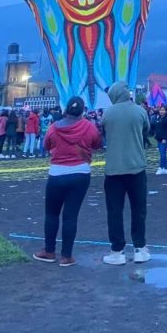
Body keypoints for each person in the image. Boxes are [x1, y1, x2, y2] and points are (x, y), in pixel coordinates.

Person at [33, 96, 102, 266]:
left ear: (66, 110)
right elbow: (97, 143)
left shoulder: (54, 127)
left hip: (57, 173)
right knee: (71, 216)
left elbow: (46, 146)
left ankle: (49, 251)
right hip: (80, 173)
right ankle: (66, 255)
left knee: (51, 213)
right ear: (82, 110)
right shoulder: (89, 126)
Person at [102, 83, 151, 266]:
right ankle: (140, 248)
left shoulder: (107, 113)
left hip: (113, 169)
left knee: (114, 211)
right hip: (136, 167)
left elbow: (104, 132)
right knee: (139, 210)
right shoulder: (140, 111)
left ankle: (117, 251)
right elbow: (146, 130)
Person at [152, 104, 167, 176]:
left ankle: (161, 168)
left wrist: (164, 138)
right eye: (161, 110)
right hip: (159, 138)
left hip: (164, 139)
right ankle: (164, 168)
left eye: (163, 110)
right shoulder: (159, 117)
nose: (161, 111)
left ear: (166, 111)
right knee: (162, 153)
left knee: (162, 153)